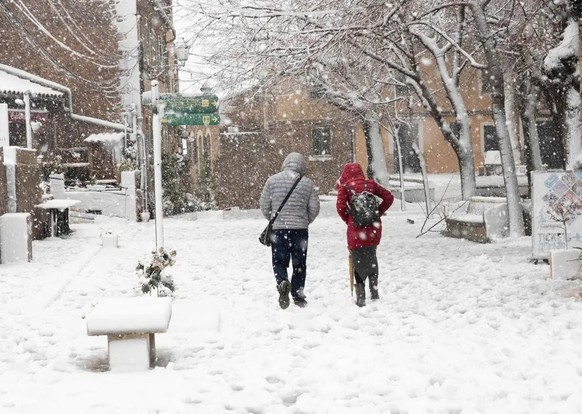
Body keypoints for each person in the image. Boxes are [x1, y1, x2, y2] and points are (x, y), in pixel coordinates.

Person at [260, 152, 320, 309]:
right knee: (299, 263)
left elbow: (264, 205)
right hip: (300, 230)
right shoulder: (307, 183)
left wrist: (273, 219)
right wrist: (305, 220)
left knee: (279, 260)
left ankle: (282, 281)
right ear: (301, 166)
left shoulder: (272, 181)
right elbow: (314, 208)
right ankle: (298, 293)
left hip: (279, 230)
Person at [336, 163, 394, 307]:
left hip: (355, 231)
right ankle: (374, 291)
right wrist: (376, 213)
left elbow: (340, 207)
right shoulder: (370, 184)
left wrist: (349, 219)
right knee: (372, 257)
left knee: (358, 260)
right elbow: (389, 197)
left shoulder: (345, 187)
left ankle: (361, 296)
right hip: (373, 229)